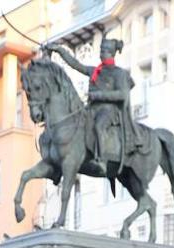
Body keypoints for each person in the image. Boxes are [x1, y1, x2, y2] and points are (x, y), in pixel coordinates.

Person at [48, 36, 141, 176]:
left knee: (99, 126)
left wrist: (98, 95)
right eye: (101, 51)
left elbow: (122, 95)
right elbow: (75, 64)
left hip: (110, 110)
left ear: (111, 53)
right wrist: (59, 50)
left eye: (104, 51)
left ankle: (102, 160)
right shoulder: (95, 70)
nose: (101, 54)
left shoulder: (119, 73)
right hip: (92, 109)